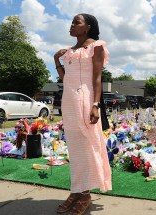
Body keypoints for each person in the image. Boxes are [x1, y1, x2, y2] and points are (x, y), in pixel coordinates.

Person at [54, 13, 111, 215]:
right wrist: (56, 60)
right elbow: (65, 78)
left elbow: (97, 79)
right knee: (75, 149)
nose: (71, 25)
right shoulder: (69, 51)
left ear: (87, 27)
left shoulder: (96, 47)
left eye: (76, 22)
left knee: (87, 146)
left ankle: (84, 193)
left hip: (85, 100)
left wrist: (96, 105)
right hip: (68, 101)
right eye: (72, 22)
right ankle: (77, 190)